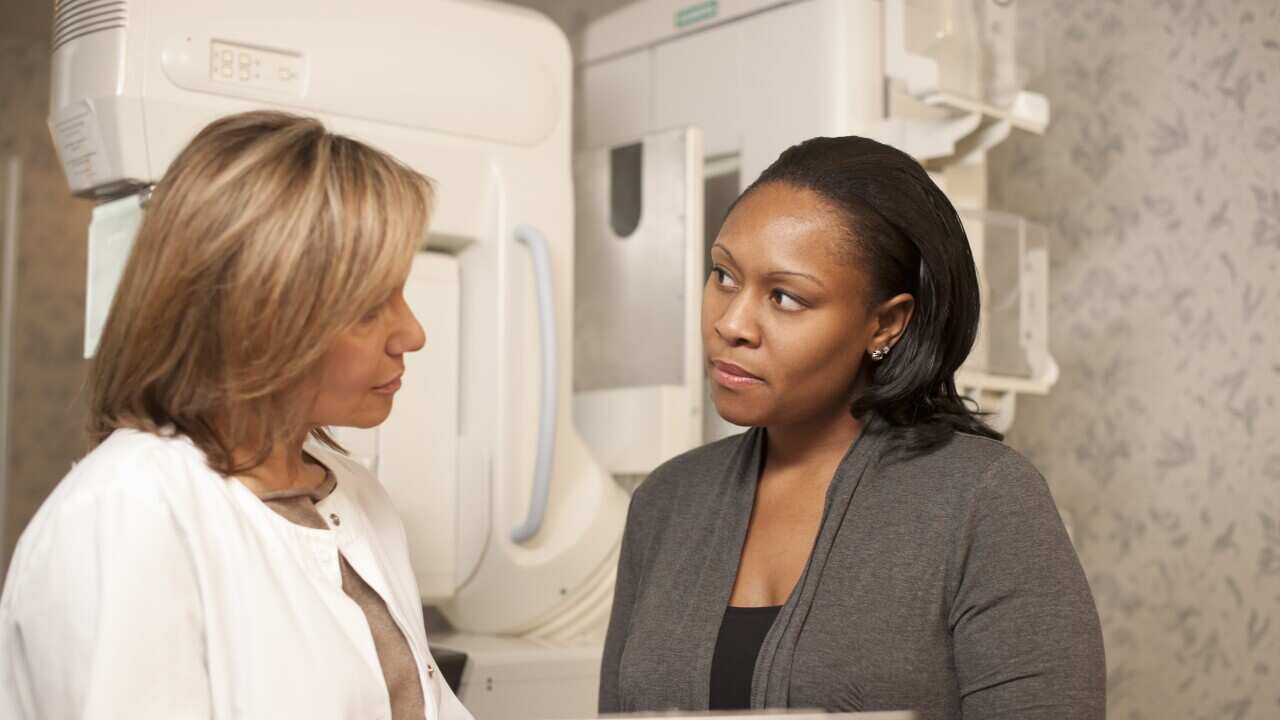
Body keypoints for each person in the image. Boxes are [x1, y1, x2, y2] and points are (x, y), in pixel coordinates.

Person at [599, 136, 1105, 719]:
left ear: (886, 324)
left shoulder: (985, 502)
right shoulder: (665, 503)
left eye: (785, 297)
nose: (731, 323)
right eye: (724, 275)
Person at [0, 111, 473, 720]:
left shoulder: (354, 494)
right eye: (369, 307)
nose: (413, 334)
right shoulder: (127, 515)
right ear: (259, 316)